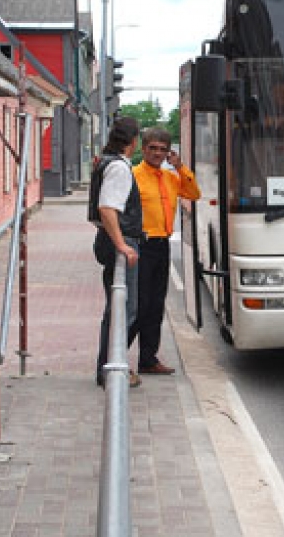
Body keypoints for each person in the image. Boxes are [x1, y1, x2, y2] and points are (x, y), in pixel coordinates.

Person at [130, 127, 201, 375]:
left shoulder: (171, 177)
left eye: (163, 149)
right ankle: (116, 360)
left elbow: (193, 193)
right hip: (141, 245)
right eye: (153, 148)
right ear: (143, 148)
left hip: (162, 246)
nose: (157, 153)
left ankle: (148, 359)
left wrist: (180, 167)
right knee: (138, 306)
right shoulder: (133, 176)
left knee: (156, 306)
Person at [90, 117, 144, 388]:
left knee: (117, 309)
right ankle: (111, 370)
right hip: (119, 241)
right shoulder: (120, 168)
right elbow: (108, 208)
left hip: (109, 240)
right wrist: (122, 244)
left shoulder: (106, 161)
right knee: (124, 310)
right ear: (133, 141)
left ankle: (109, 368)